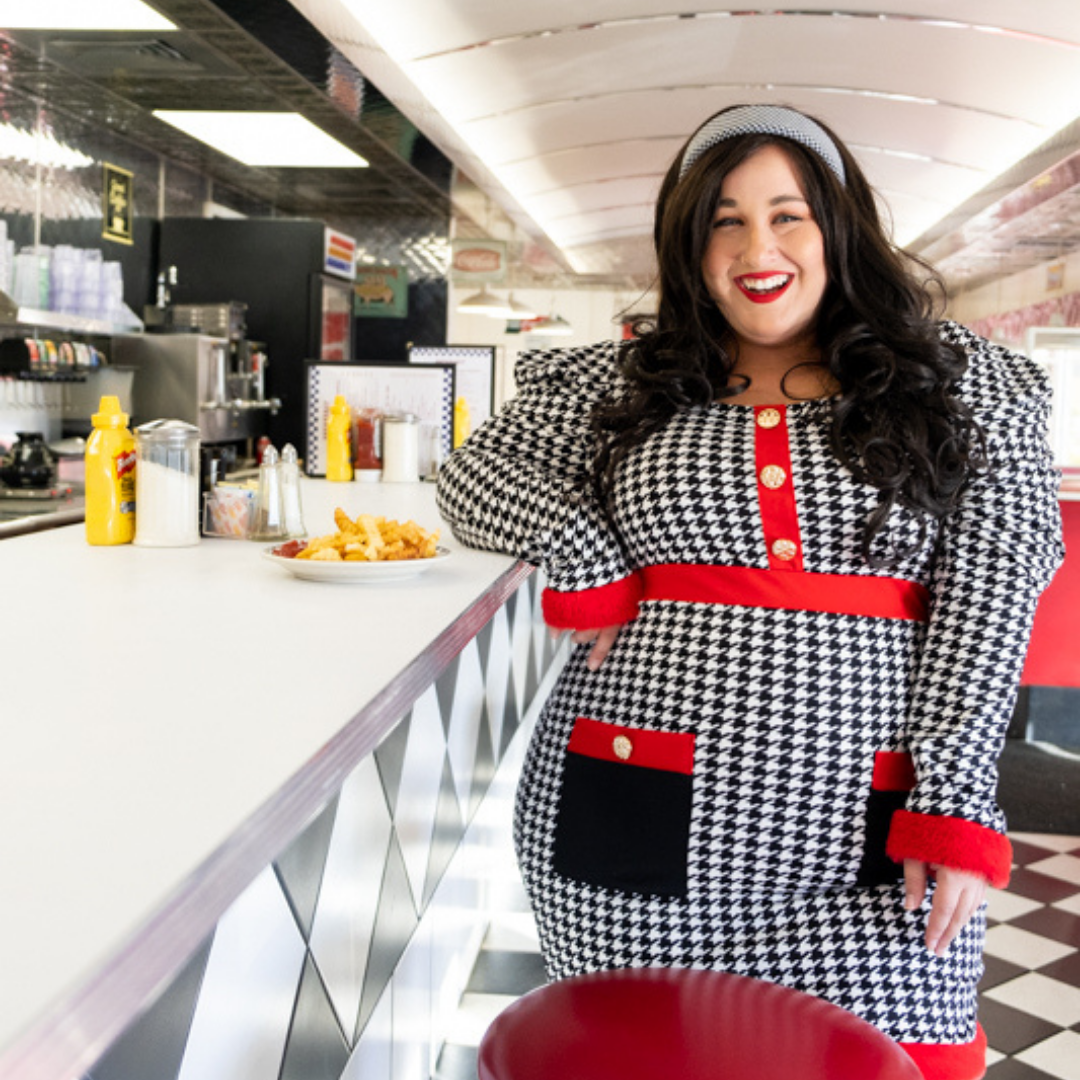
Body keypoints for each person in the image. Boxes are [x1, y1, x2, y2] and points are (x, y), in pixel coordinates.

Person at [436, 103, 1064, 1080]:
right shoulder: (617, 386)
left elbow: (993, 587)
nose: (756, 246)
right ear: (690, 247)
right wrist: (586, 552)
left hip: (868, 840)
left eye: (788, 214)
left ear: (839, 230)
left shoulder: (964, 387)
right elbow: (473, 477)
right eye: (724, 219)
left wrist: (953, 802)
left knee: (901, 1059)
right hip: (628, 818)